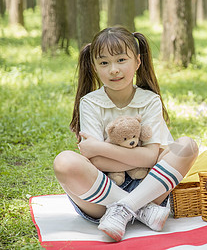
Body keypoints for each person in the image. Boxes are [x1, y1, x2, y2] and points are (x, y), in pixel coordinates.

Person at [53, 26, 198, 242]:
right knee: (63, 161)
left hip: (150, 185)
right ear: (94, 67)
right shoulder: (91, 103)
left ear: (137, 62)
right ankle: (142, 211)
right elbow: (98, 164)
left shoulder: (149, 100)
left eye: (121, 60)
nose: (113, 69)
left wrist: (100, 148)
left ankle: (126, 208)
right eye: (104, 63)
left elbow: (148, 158)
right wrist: (136, 158)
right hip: (101, 196)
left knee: (187, 145)